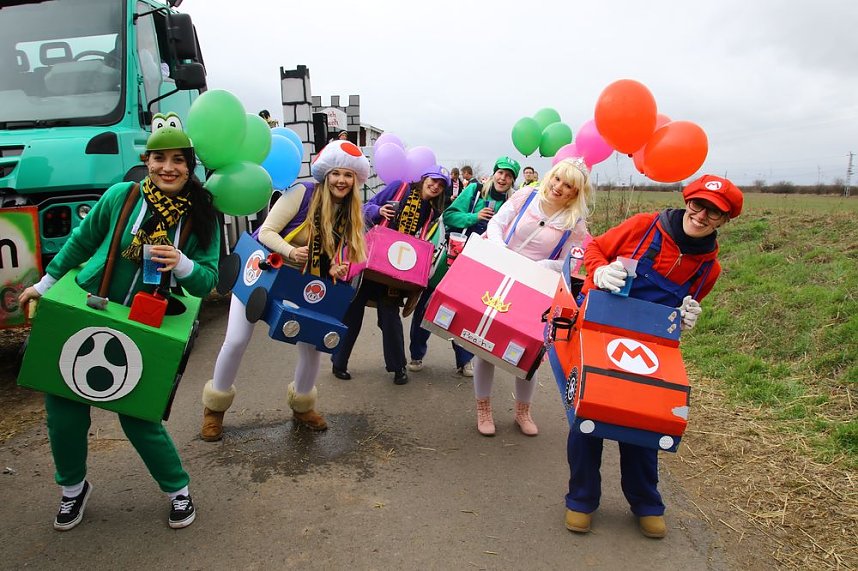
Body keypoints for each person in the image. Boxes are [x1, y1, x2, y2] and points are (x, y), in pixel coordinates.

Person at [17, 119, 220, 531]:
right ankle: (72, 489)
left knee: (139, 416)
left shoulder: (201, 216)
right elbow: (81, 241)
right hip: (90, 307)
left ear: (189, 166)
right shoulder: (121, 197)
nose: (168, 167)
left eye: (178, 160)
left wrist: (182, 264)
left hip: (147, 322)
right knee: (64, 408)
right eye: (159, 158)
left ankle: (178, 490)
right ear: (146, 161)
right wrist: (42, 285)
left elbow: (209, 278)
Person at [564, 174, 744, 539]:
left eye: (714, 212)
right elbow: (595, 247)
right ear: (687, 201)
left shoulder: (710, 268)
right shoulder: (645, 226)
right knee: (589, 416)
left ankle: (645, 502)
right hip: (603, 330)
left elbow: (684, 309)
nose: (702, 215)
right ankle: (581, 499)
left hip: (650, 350)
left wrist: (686, 316)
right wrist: (600, 270)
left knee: (646, 422)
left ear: (724, 220)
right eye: (698, 205)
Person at [201, 141, 369, 440]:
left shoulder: (349, 212)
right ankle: (214, 408)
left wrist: (334, 268)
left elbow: (329, 255)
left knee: (313, 346)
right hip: (261, 270)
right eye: (336, 173)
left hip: (301, 283)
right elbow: (266, 232)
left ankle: (302, 406)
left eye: (348, 175)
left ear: (355, 180)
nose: (341, 180)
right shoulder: (302, 193)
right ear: (326, 174)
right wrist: (291, 252)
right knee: (237, 340)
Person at [473, 158, 593, 437]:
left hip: (536, 287)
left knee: (527, 351)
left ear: (576, 193)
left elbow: (570, 262)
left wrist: (541, 268)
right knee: (484, 343)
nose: (558, 187)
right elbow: (497, 224)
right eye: (557, 179)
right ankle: (483, 409)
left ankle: (522, 412)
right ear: (550, 177)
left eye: (568, 186)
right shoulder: (527, 196)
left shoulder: (575, 224)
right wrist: (499, 249)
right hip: (499, 271)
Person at [407, 156, 521, 377]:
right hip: (452, 257)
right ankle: (416, 354)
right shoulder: (476, 190)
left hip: (481, 266)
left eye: (508, 176)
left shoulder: (512, 203)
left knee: (467, 312)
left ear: (512, 181)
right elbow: (449, 216)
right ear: (494, 173)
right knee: (428, 304)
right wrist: (474, 217)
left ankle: (464, 361)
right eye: (501, 173)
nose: (503, 178)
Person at [332, 167, 446, 385]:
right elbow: (364, 208)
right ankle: (339, 362)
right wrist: (379, 211)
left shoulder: (430, 212)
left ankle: (398, 367)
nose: (435, 187)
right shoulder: (399, 188)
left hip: (396, 270)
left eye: (440, 186)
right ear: (424, 179)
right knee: (353, 313)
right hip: (369, 262)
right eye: (434, 181)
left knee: (390, 316)